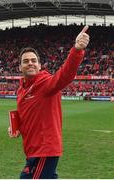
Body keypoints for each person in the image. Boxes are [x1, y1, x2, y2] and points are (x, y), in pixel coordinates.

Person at [8, 26, 90, 179]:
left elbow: (65, 75)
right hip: (32, 150)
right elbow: (27, 114)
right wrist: (16, 126)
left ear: (39, 65)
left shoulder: (46, 84)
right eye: (26, 61)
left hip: (45, 150)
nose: (30, 63)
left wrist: (77, 50)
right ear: (20, 67)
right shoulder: (21, 90)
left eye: (34, 61)